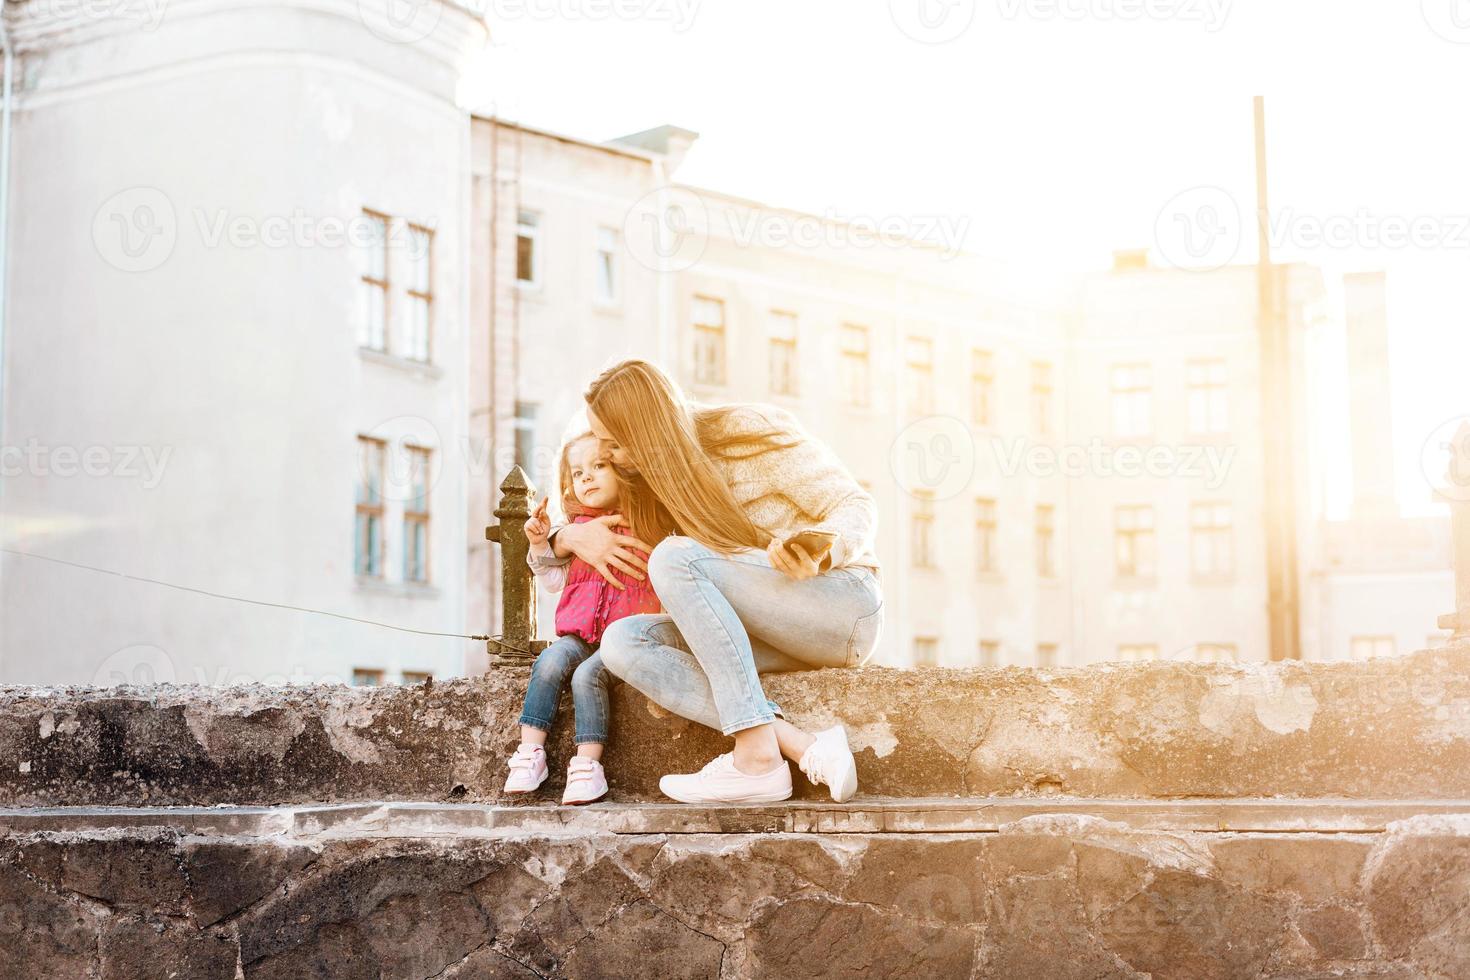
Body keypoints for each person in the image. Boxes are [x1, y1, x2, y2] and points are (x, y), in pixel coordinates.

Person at [542, 359, 883, 804]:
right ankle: (803, 747)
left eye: (614, 445)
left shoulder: (751, 431)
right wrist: (566, 535)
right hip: (765, 630)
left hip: (842, 607)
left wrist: (823, 548)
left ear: (646, 432)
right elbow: (572, 499)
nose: (610, 459)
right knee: (623, 642)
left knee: (673, 558)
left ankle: (756, 759)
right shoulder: (650, 481)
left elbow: (854, 502)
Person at [502, 431, 661, 805]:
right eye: (577, 472)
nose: (586, 477)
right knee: (549, 661)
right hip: (580, 637)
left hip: (623, 641)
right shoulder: (577, 533)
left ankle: (588, 766)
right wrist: (542, 543)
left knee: (588, 676)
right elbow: (554, 580)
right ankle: (530, 754)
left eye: (599, 466)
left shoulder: (646, 524)